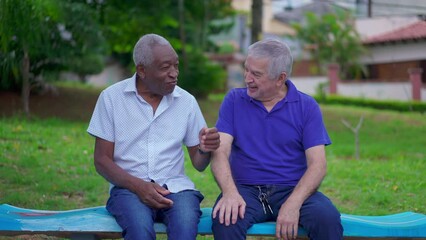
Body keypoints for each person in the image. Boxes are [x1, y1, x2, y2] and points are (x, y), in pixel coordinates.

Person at [87, 33, 220, 240]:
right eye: (165, 67)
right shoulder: (111, 98)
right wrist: (139, 187)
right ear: (142, 70)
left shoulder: (186, 101)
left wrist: (204, 148)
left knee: (185, 229)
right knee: (140, 231)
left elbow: (199, 163)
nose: (174, 74)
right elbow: (102, 160)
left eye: (176, 66)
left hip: (177, 190)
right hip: (128, 190)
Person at [210, 38, 343, 240]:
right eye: (246, 69)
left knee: (327, 218)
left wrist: (293, 203)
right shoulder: (234, 101)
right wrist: (229, 193)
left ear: (280, 78)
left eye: (256, 74)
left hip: (292, 189)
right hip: (245, 191)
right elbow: (220, 151)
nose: (247, 78)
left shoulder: (306, 106)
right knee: (225, 219)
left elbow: (318, 164)